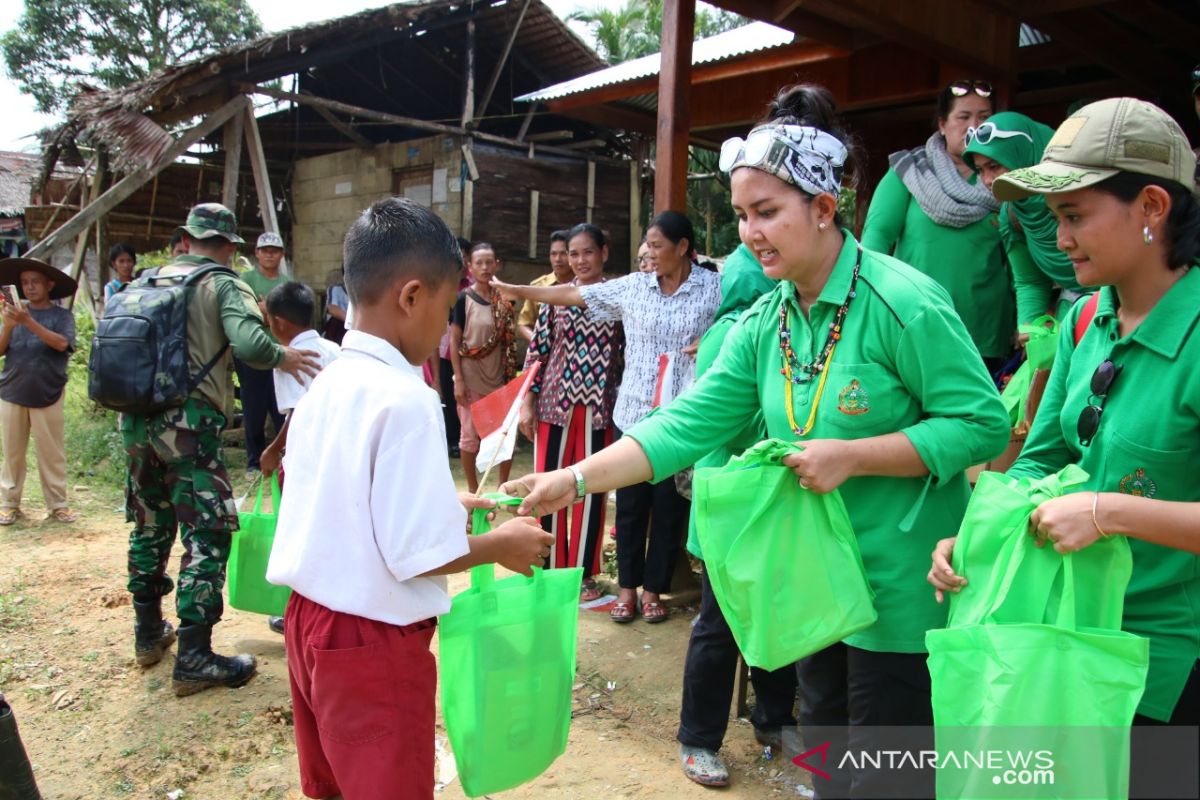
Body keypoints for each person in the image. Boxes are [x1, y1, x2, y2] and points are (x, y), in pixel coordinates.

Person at [501, 85, 1008, 799]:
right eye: (741, 215)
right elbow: (687, 423)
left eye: (767, 212)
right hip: (814, 581)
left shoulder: (906, 302)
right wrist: (576, 479)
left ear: (825, 209)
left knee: (894, 772)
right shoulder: (766, 321)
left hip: (898, 589)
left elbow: (980, 424)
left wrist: (855, 454)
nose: (749, 233)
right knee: (830, 755)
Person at [929, 97, 1200, 745]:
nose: (1059, 239)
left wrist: (1109, 513)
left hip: (1163, 665)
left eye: (1074, 216)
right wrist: (973, 539)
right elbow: (1040, 458)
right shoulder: (1083, 321)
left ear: (1153, 209)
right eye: (1053, 218)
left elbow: (1102, 508)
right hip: (1064, 635)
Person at [265, 197, 552, 800]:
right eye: (448, 306)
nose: (443, 331)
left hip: (308, 621)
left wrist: (450, 508)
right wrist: (501, 544)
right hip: (369, 640)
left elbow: (345, 502)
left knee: (338, 784)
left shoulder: (331, 379)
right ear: (412, 296)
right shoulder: (406, 398)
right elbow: (413, 553)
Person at [121, 203, 320, 696]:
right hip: (187, 427)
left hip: (135, 424)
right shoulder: (223, 283)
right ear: (231, 248)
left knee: (150, 524)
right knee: (207, 530)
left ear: (186, 239)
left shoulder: (144, 282)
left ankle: (148, 634)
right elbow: (252, 346)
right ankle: (193, 655)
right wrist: (284, 354)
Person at [495, 210, 722, 624]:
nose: (649, 255)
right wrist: (516, 289)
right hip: (633, 414)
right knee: (631, 507)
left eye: (656, 246)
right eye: (647, 246)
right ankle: (627, 590)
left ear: (683, 247)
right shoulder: (634, 287)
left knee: (669, 511)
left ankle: (654, 591)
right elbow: (572, 296)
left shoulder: (714, 287)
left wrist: (715, 336)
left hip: (683, 417)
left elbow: (745, 314)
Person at [674, 243, 798, 787]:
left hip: (769, 506)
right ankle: (697, 738)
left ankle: (773, 719)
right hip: (731, 511)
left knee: (776, 618)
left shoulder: (787, 325)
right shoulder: (735, 332)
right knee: (720, 627)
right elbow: (730, 424)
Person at [862, 79, 1013, 369]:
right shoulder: (909, 172)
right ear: (942, 124)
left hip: (983, 333)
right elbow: (875, 240)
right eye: (964, 117)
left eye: (984, 118)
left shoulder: (1007, 178)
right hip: (912, 323)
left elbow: (1021, 254)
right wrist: (867, 306)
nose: (974, 126)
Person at [519, 223, 624, 602]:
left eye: (587, 252)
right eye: (573, 253)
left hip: (599, 408)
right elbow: (537, 353)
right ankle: (542, 571)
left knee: (591, 490)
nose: (579, 260)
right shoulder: (555, 298)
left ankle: (582, 575)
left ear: (604, 253)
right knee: (546, 489)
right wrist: (527, 402)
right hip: (554, 407)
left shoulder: (619, 297)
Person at [258, 281, 341, 636]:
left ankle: (299, 606)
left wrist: (273, 449)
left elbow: (296, 415)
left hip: (304, 466)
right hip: (337, 459)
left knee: (299, 534)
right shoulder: (334, 349)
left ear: (277, 322)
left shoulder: (288, 358)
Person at [962, 111, 1087, 330]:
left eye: (994, 166)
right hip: (1071, 316)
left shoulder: (1081, 190)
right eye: (980, 170)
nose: (987, 181)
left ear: (1023, 154)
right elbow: (1030, 280)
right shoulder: (1012, 214)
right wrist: (1030, 328)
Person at [0, 258, 77, 525]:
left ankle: (58, 505)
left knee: (51, 452)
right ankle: (9, 504)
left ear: (49, 285)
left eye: (35, 282)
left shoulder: (61, 316)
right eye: (24, 283)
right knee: (12, 453)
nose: (29, 287)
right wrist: (10, 325)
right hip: (12, 389)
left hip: (49, 391)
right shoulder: (13, 314)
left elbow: (61, 343)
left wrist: (28, 321)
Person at [449, 242, 517, 493]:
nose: (485, 267)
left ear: (496, 264)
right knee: (469, 436)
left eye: (489, 262)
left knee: (504, 436)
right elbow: (455, 341)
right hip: (470, 376)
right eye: (479, 263)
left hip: (500, 379)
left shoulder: (505, 300)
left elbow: (509, 342)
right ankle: (472, 488)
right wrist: (458, 378)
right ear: (470, 267)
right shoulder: (462, 299)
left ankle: (503, 487)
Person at [235, 231, 289, 476]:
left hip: (283, 355)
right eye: (264, 250)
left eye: (274, 250)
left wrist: (267, 309)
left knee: (282, 408)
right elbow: (244, 315)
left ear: (281, 254)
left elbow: (290, 317)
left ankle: (284, 460)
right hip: (254, 354)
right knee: (253, 409)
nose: (269, 254)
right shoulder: (245, 280)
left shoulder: (288, 283)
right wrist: (266, 312)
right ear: (256, 253)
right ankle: (254, 462)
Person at [516, 229, 573, 342]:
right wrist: (538, 343)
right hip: (542, 355)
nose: (558, 259)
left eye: (563, 254)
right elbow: (523, 324)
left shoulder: (582, 286)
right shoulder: (538, 286)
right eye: (553, 254)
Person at [321, 268, 348, 345]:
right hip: (338, 330)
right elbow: (332, 308)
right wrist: (351, 322)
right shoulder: (335, 289)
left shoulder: (362, 292)